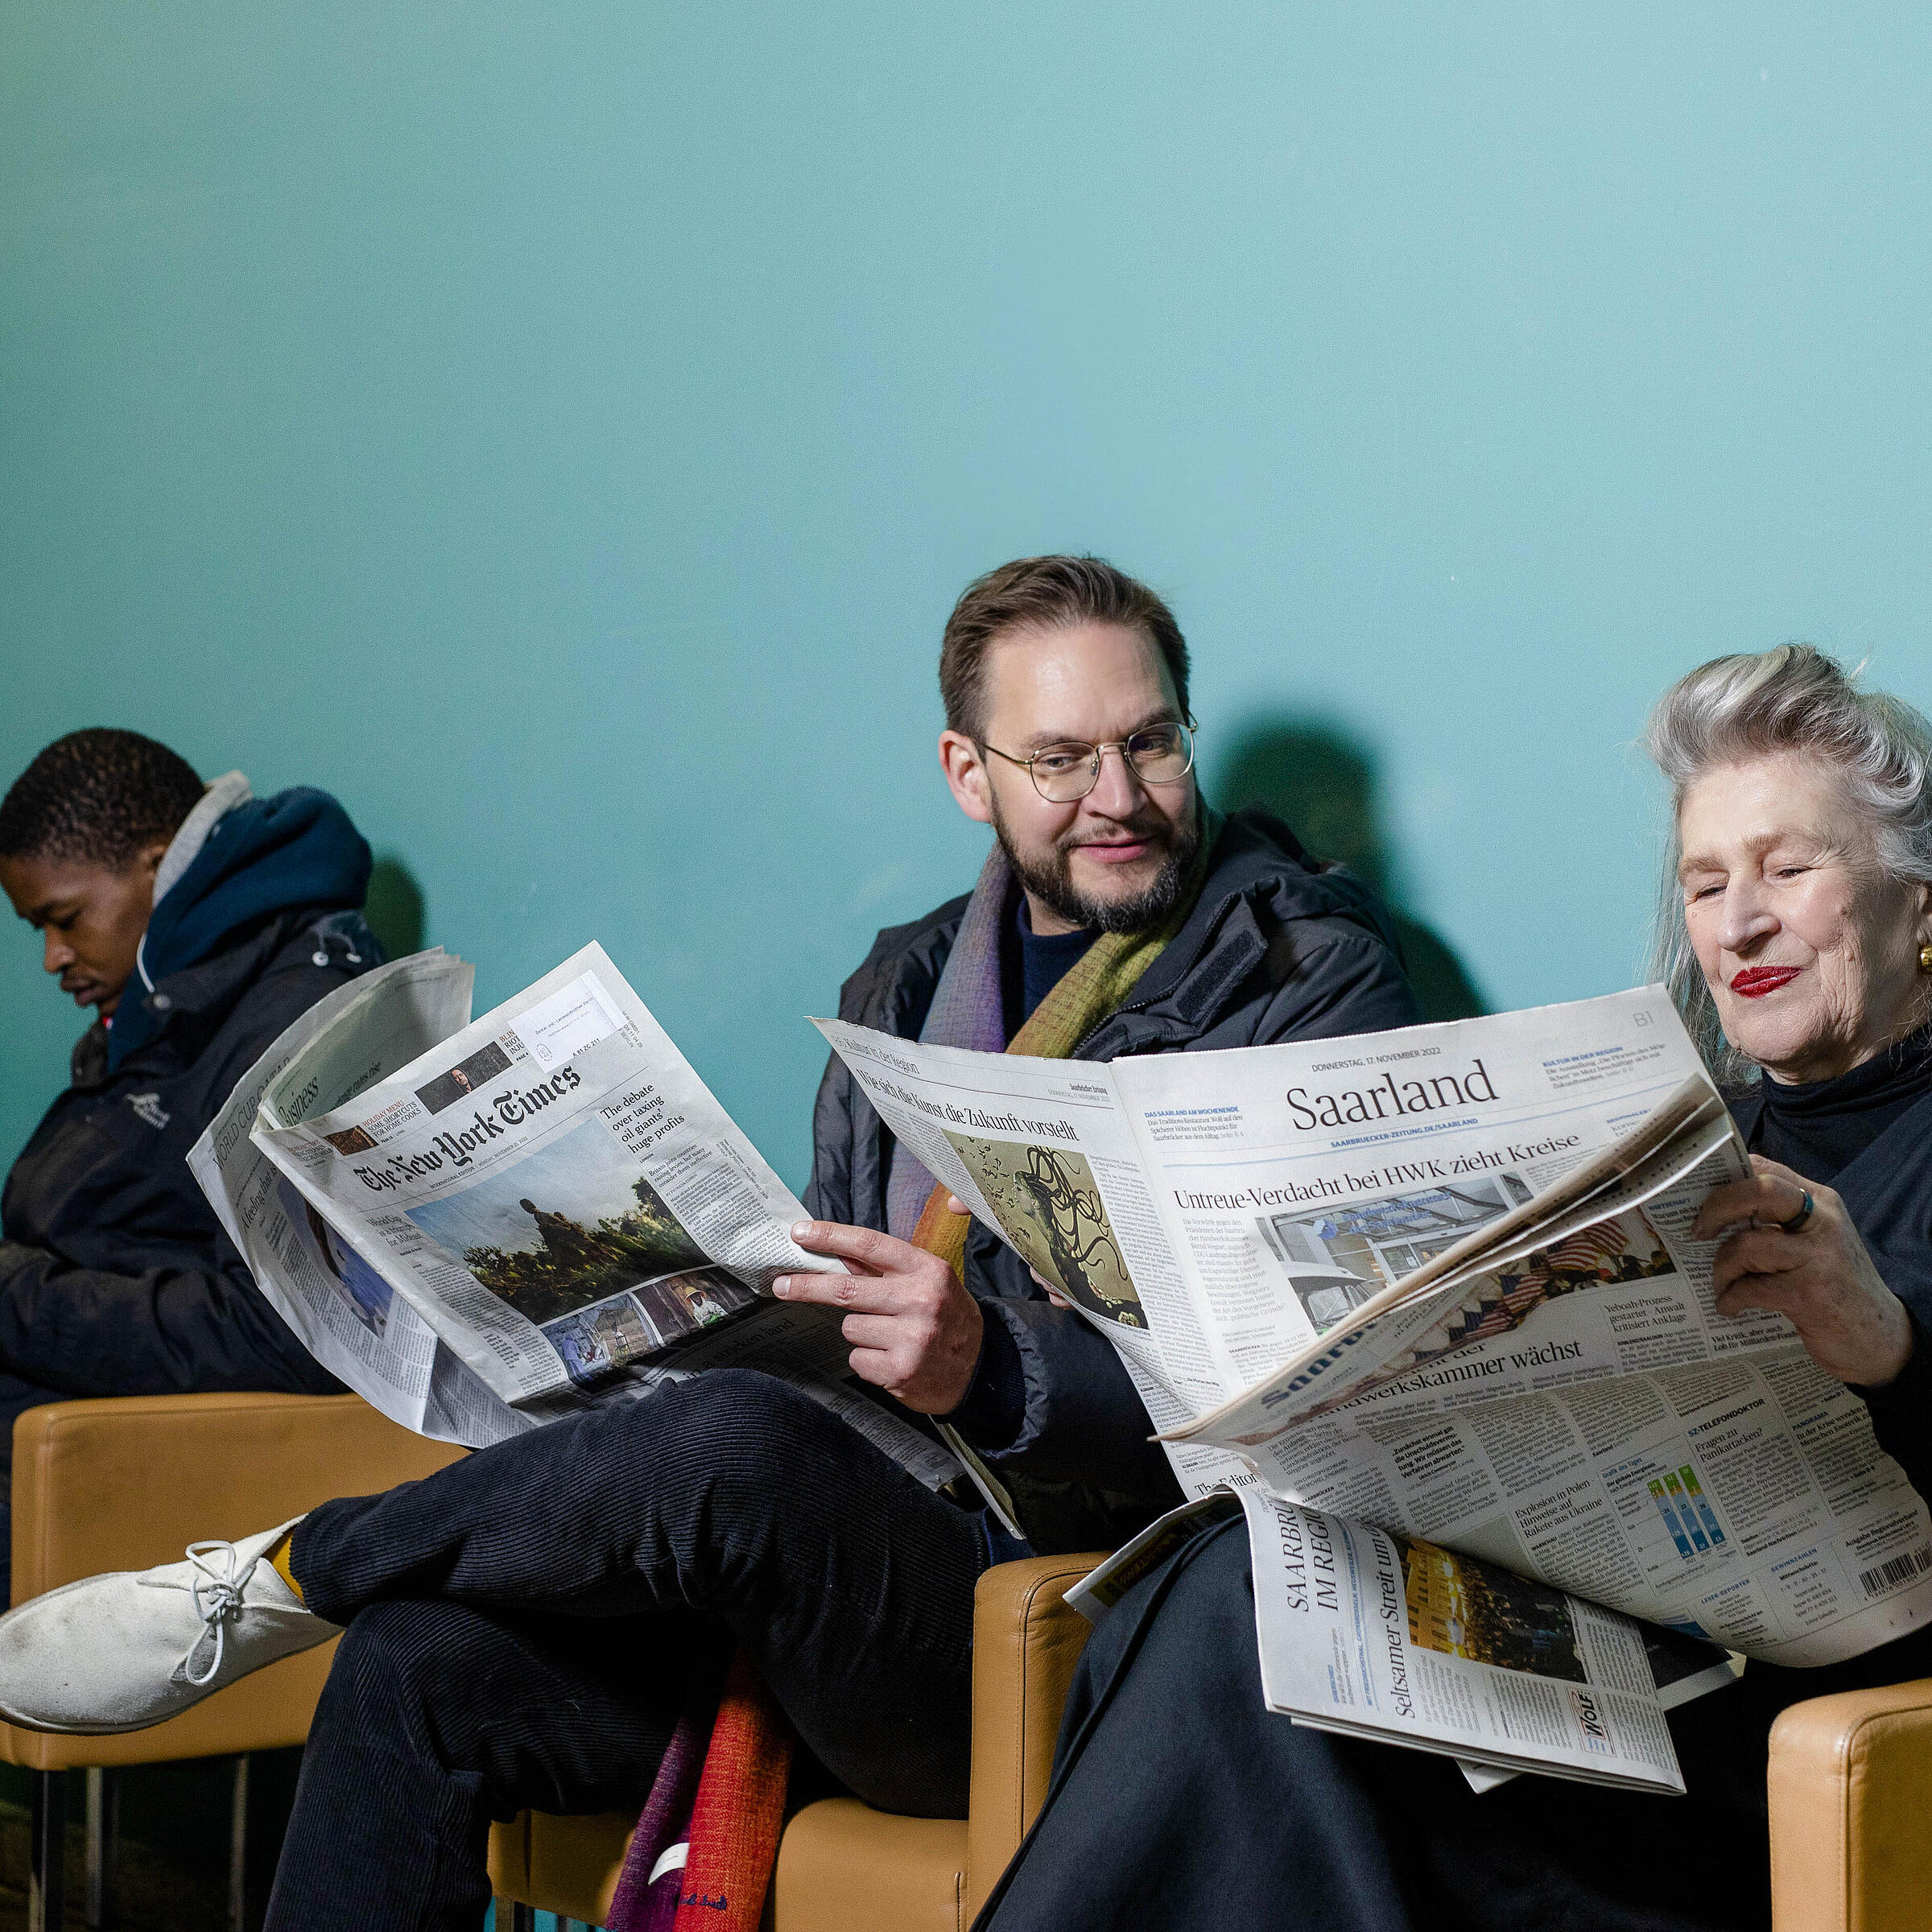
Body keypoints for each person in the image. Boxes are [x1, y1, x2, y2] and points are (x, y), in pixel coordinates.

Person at [0, 556, 1418, 1932]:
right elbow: (833, 1317)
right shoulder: (905, 980)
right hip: (833, 1554)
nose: (1118, 797)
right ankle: (347, 1594)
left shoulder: (1308, 978)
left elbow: (1293, 1391)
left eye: (1152, 743)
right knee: (417, 1664)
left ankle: (297, 1568)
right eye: (1059, 759)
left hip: (1043, 1617)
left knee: (739, 1446)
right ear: (966, 773)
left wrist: (996, 1366)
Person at [968, 642, 1932, 1932]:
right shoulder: (1672, 1142)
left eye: (1789, 868)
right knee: (1229, 1595)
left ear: (1921, 907)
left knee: (1240, 1658)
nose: (1738, 922)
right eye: (1707, 882)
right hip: (1597, 1695)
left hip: (1772, 1772)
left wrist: (1895, 1351)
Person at [0, 730, 382, 1591]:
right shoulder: (174, 994)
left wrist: (15, 1297)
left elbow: (285, 1332)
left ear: (157, 864)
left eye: (64, 919)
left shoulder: (292, 1014)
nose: (52, 957)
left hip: (129, 1455)